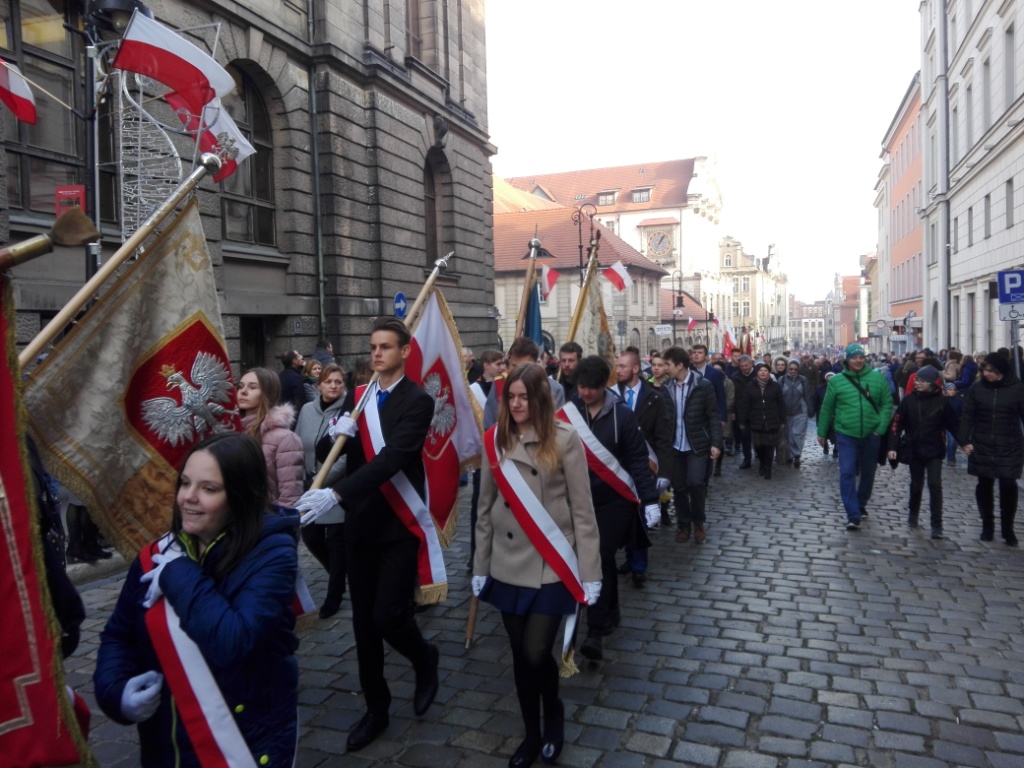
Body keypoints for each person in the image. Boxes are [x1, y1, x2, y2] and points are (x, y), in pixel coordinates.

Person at [94, 433, 301, 767]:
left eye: (209, 489)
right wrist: (116, 691)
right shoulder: (157, 556)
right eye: (185, 483)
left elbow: (234, 640)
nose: (188, 498)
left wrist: (179, 574)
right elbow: (119, 634)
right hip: (167, 746)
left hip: (245, 742)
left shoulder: (273, 554)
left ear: (239, 495)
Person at [296, 317, 440, 751]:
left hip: (396, 523)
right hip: (360, 525)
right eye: (373, 347)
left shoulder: (418, 401)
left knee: (389, 616)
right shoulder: (358, 398)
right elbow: (334, 452)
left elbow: (392, 459)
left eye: (386, 347)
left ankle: (424, 657)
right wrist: (335, 436)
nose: (376, 354)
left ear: (404, 352)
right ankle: (376, 709)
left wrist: (335, 495)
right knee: (362, 626)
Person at [473, 363, 601, 768]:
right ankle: (531, 732)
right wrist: (479, 565)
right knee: (519, 654)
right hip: (508, 563)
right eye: (509, 398)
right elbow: (484, 507)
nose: (515, 404)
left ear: (540, 399)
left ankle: (555, 714)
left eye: (523, 397)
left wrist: (591, 572)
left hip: (551, 563)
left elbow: (583, 511)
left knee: (534, 651)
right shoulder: (495, 439)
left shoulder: (564, 439)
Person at [566, 355, 659, 662]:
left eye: (591, 387)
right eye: (581, 386)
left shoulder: (623, 415)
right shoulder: (570, 412)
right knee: (598, 562)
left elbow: (636, 459)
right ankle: (611, 609)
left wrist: (649, 500)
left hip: (614, 500)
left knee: (600, 556)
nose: (585, 392)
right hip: (580, 499)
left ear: (603, 385)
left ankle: (596, 631)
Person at [816, 343, 893, 530]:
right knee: (847, 472)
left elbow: (886, 405)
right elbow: (827, 408)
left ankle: (861, 503)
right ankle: (852, 514)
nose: (858, 360)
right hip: (846, 434)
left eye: (860, 357)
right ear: (847, 360)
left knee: (868, 473)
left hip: (871, 434)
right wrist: (822, 432)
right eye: (854, 357)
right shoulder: (836, 381)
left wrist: (879, 429)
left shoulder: (877, 379)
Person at [614, 346, 674, 587]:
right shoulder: (610, 395)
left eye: (622, 366)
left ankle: (639, 566)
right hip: (616, 466)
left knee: (639, 518)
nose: (617, 370)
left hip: (643, 466)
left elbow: (663, 437)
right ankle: (629, 557)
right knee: (623, 517)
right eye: (617, 366)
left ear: (635, 369)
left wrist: (665, 472)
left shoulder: (655, 398)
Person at [295, 363, 348, 619]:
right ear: (319, 385)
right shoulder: (307, 410)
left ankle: (335, 595)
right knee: (312, 537)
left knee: (336, 542)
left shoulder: (350, 411)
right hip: (309, 488)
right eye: (329, 382)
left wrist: (322, 479)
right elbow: (298, 443)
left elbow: (346, 456)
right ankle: (339, 573)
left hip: (337, 490)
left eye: (338, 382)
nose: (334, 386)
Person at [887, 366, 961, 539]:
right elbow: (897, 424)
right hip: (915, 449)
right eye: (917, 380)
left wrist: (965, 443)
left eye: (922, 381)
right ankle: (913, 513)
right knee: (916, 484)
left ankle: (937, 524)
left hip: (935, 449)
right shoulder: (908, 401)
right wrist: (892, 447)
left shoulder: (942, 403)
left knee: (935, 485)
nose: (917, 383)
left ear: (933, 384)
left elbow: (954, 426)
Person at [959, 353, 1024, 545]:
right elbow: (968, 415)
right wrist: (964, 440)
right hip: (983, 443)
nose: (987, 374)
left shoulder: (1017, 389)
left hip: (1010, 445)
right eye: (985, 370)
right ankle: (987, 524)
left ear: (1001, 371)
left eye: (991, 371)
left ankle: (1008, 528)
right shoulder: (977, 388)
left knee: (1008, 486)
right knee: (984, 485)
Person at [662, 347, 723, 543]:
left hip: (697, 444)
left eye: (667, 365)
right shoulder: (666, 387)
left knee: (696, 483)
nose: (665, 368)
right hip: (675, 445)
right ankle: (683, 524)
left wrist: (716, 443)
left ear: (679, 365)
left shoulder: (702, 385)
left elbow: (713, 416)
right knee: (679, 487)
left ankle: (698, 522)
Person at [237, 367, 305, 508]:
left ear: (267, 392)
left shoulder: (285, 439)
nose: (243, 391)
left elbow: (290, 498)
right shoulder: (231, 431)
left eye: (253, 387)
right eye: (241, 386)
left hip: (266, 522)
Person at [468, 349, 507, 569]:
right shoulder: (474, 390)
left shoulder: (507, 385)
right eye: (497, 363)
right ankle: (476, 554)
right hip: (483, 455)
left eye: (503, 363)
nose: (501, 367)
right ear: (486, 366)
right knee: (480, 508)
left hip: (503, 453)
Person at [737, 361, 786, 479]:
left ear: (769, 373)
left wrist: (782, 420)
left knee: (770, 446)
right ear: (757, 373)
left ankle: (768, 469)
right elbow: (744, 404)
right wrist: (742, 421)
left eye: (765, 371)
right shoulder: (750, 386)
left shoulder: (775, 386)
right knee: (759, 446)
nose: (763, 372)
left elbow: (781, 404)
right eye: (760, 370)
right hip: (756, 420)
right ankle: (762, 463)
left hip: (772, 420)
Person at [780, 359, 813, 469]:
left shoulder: (803, 380)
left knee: (797, 434)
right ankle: (789, 455)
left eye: (795, 369)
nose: (793, 371)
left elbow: (807, 396)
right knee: (788, 435)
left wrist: (810, 409)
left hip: (800, 412)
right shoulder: (782, 380)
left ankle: (797, 455)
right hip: (785, 412)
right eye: (791, 369)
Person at [730, 355, 757, 469]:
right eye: (742, 366)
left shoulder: (758, 374)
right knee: (745, 437)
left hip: (757, 410)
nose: (745, 368)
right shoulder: (735, 377)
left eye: (746, 365)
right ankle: (747, 459)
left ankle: (759, 455)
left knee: (758, 436)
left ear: (751, 364)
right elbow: (732, 396)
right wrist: (732, 411)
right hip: (741, 411)